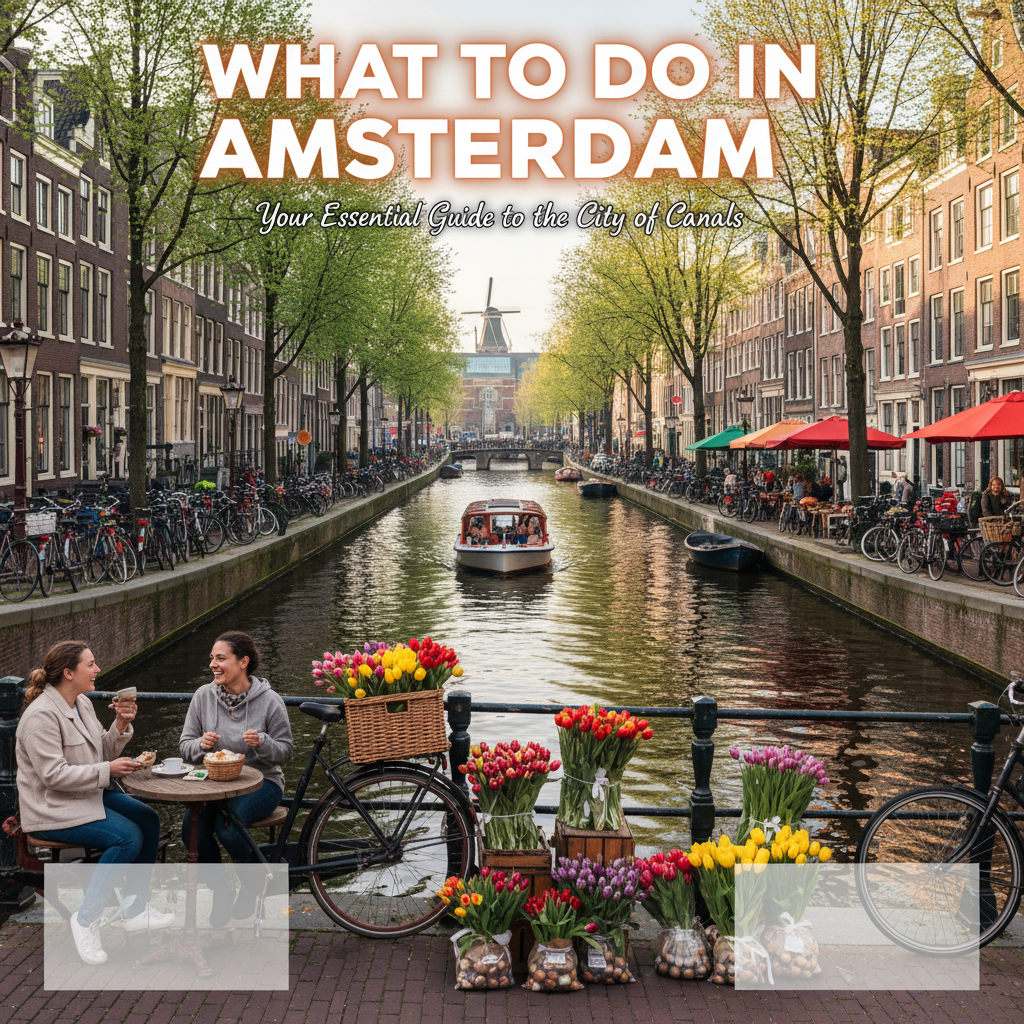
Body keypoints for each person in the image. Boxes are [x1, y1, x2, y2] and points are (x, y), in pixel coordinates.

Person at [16, 641, 174, 966]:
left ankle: (134, 910)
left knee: (147, 819)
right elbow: (53, 776)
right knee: (127, 836)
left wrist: (121, 725)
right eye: (91, 664)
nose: (98, 669)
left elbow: (102, 752)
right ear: (68, 672)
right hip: (53, 807)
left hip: (86, 794)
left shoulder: (82, 703)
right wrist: (108, 771)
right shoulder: (41, 716)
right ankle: (85, 920)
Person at [179, 632, 293, 927]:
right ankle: (221, 889)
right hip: (215, 784)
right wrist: (201, 745)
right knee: (190, 827)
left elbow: (285, 752)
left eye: (220, 658)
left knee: (228, 828)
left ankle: (252, 886)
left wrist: (263, 743)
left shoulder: (270, 701)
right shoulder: (203, 696)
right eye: (211, 659)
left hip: (263, 783)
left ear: (242, 662)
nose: (213, 665)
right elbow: (185, 746)